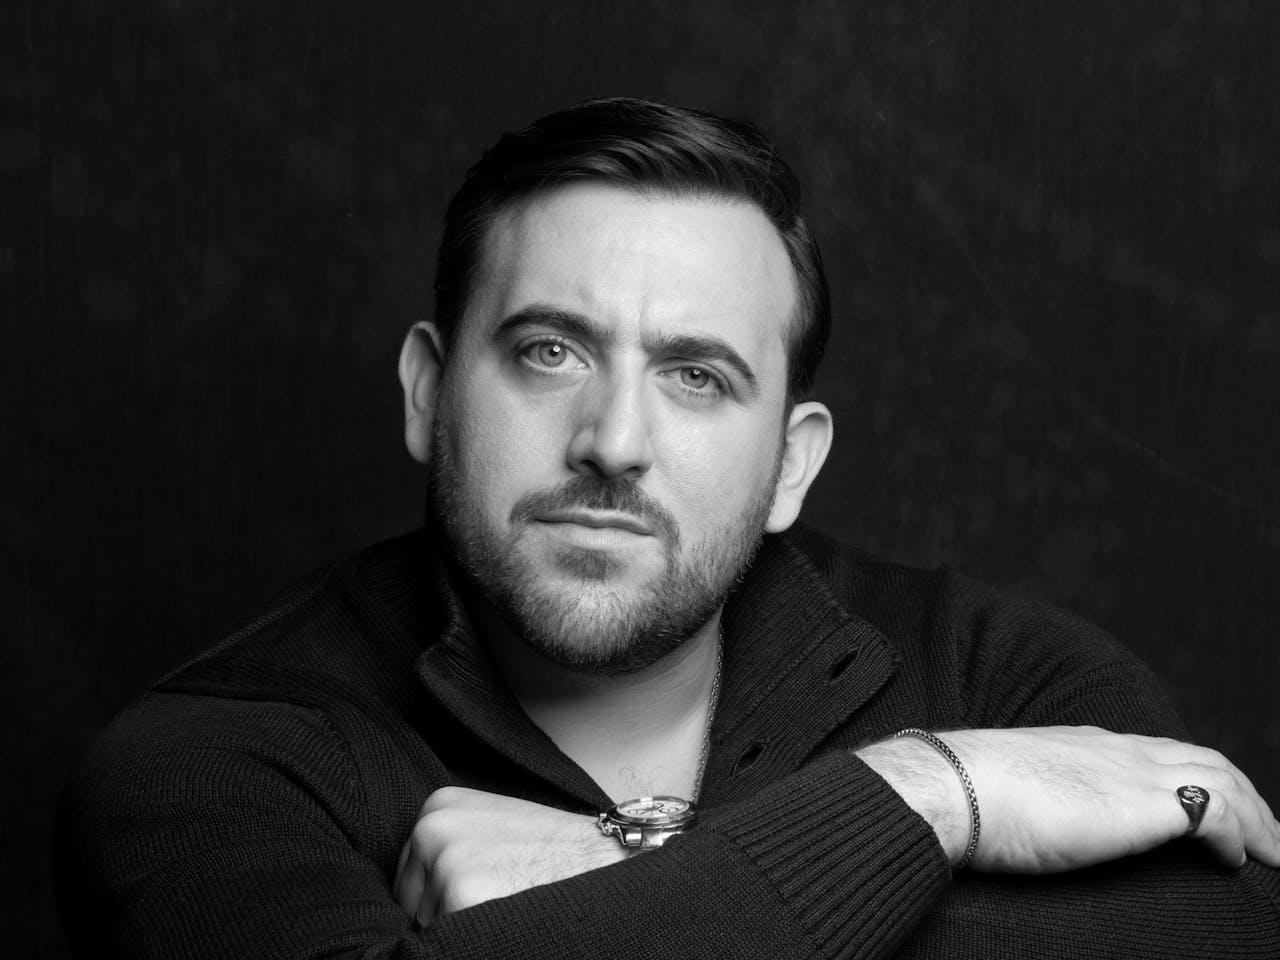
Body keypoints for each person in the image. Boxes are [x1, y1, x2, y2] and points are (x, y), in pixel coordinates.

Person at [57, 98, 1280, 959]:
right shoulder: (215, 762)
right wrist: (923, 795)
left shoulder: (1009, 675)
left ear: (791, 463)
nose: (613, 439)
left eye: (695, 375)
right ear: (429, 395)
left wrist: (620, 888)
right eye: (548, 351)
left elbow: (1233, 937)